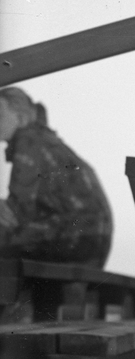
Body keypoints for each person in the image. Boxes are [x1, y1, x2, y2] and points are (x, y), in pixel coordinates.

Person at [0, 87, 113, 267]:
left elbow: (18, 212)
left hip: (73, 238)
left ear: (20, 116)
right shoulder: (46, 140)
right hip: (92, 241)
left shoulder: (28, 142)